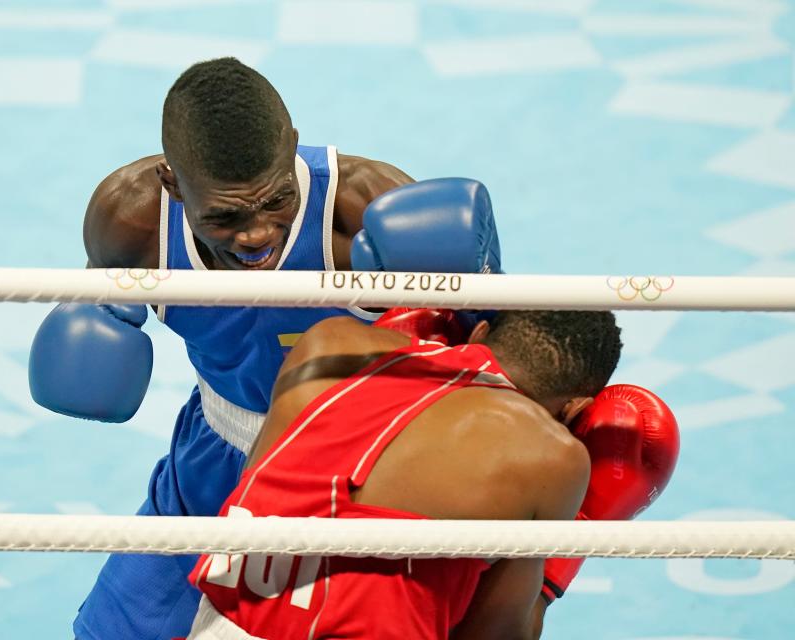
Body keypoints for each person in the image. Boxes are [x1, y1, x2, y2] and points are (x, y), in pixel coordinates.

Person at [27, 58, 503, 639]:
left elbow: (490, 349)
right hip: (220, 457)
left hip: (366, 475)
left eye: (274, 201)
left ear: (294, 151)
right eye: (224, 217)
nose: (255, 234)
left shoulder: (364, 209)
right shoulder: (132, 221)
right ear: (174, 185)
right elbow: (97, 319)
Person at [187, 308, 679, 639]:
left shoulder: (329, 342)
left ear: (481, 332)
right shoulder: (552, 456)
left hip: (222, 625)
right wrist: (570, 547)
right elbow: (493, 635)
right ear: (576, 409)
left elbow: (260, 483)